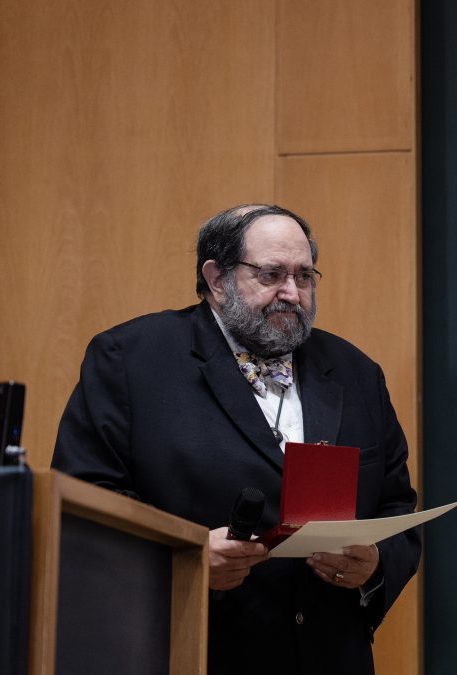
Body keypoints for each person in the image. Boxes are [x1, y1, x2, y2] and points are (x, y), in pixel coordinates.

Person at [52, 204, 421, 675]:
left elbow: (396, 509)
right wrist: (184, 562)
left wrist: (375, 566)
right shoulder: (130, 360)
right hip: (190, 652)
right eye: (272, 274)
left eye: (305, 276)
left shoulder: (357, 373)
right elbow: (84, 507)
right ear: (217, 278)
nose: (292, 293)